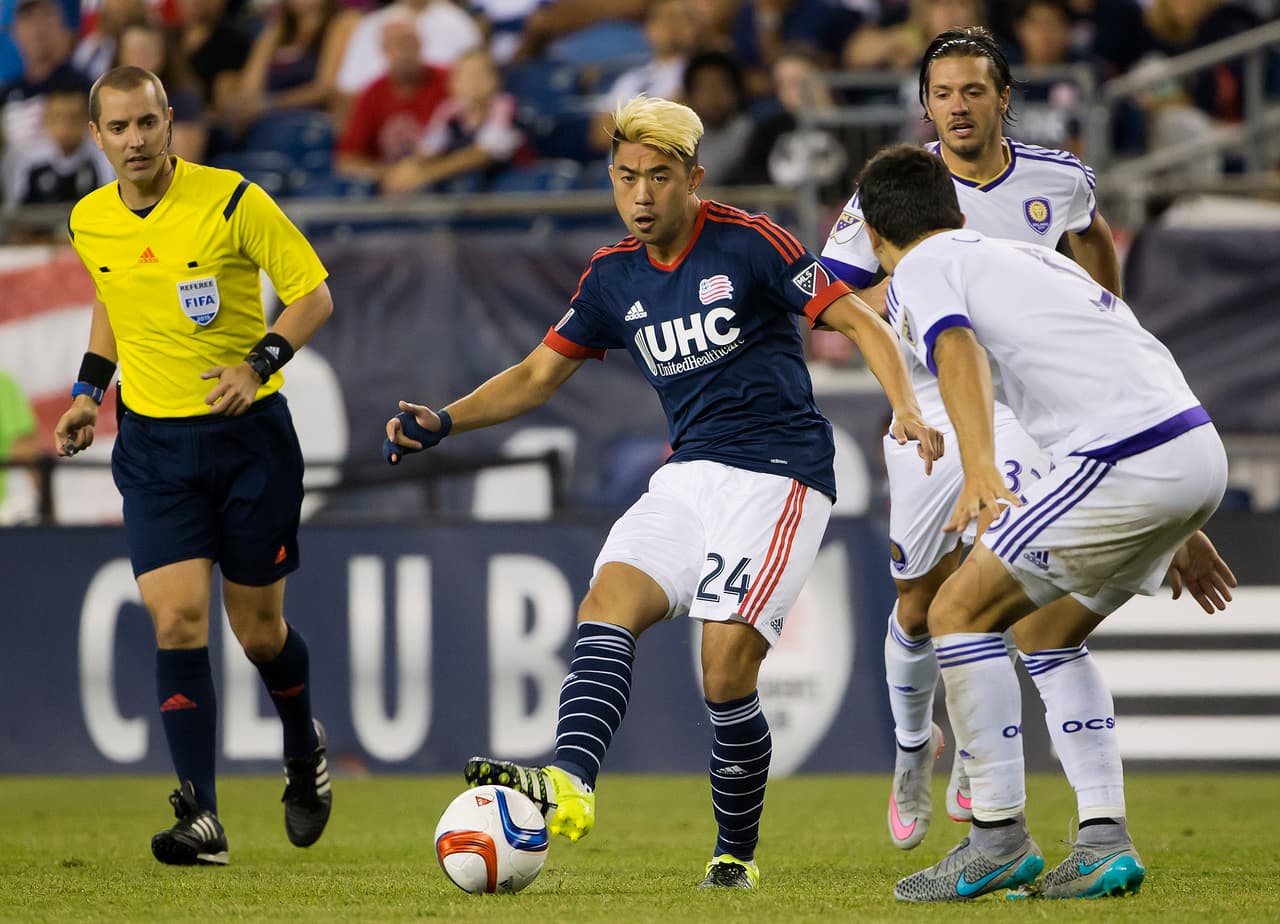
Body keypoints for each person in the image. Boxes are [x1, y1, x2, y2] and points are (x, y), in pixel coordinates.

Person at [382, 94, 944, 890]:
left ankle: (733, 856)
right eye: (625, 178)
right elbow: (540, 375)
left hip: (778, 477)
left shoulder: (750, 243)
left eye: (658, 177)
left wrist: (908, 405)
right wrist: (445, 419)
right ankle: (571, 779)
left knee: (723, 673)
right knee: (607, 601)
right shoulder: (612, 276)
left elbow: (857, 319)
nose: (640, 195)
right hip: (687, 476)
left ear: (693, 180)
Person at [854, 143, 1234, 902]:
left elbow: (956, 350)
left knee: (955, 609)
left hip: (1126, 457)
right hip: (1190, 445)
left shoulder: (921, 269)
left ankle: (995, 837)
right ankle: (1103, 841)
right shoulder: (1034, 259)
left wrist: (982, 464)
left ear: (872, 236)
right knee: (1046, 632)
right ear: (959, 211)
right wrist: (1181, 516)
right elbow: (1126, 349)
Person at [820, 26, 1126, 859]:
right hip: (927, 410)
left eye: (973, 91)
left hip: (1024, 410)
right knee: (917, 604)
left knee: (1011, 592)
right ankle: (915, 750)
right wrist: (895, 391)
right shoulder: (899, 191)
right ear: (925, 104)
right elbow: (829, 293)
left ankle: (988, 766)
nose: (957, 106)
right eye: (943, 93)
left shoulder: (1057, 180)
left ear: (1003, 99)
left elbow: (1093, 237)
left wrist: (1097, 329)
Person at [53, 65, 334, 867]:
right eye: (118, 128)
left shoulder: (235, 200)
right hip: (153, 449)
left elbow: (313, 294)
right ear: (98, 135)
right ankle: (200, 815)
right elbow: (113, 296)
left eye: (147, 123)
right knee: (176, 618)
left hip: (250, 444)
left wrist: (258, 361)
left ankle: (300, 747)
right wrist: (86, 393)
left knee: (258, 631)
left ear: (170, 119)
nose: (134, 140)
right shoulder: (89, 220)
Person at [334, 10, 448, 189]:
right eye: (399, 45)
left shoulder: (448, 81)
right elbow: (347, 159)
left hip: (441, 179)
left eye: (411, 43)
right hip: (388, 186)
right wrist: (389, 174)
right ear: (384, 49)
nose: (407, 52)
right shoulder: (371, 94)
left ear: (421, 45)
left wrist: (423, 172)